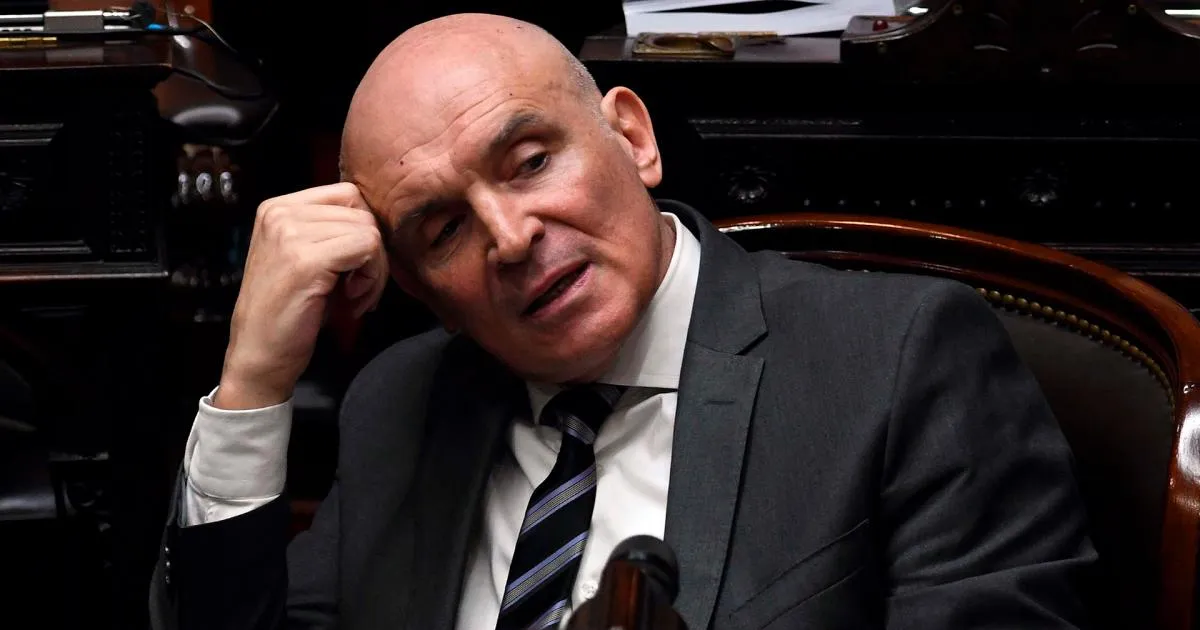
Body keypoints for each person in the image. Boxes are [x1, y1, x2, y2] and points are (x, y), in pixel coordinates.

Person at [148, 12, 1096, 630]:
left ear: (632, 137)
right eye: (443, 229)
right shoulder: (400, 403)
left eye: (531, 162)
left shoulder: (896, 358)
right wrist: (251, 383)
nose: (511, 237)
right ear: (420, 289)